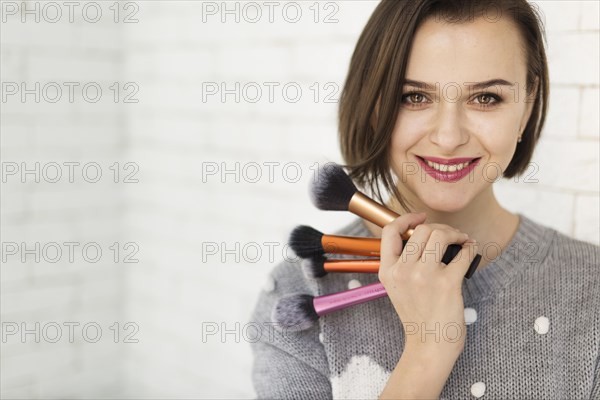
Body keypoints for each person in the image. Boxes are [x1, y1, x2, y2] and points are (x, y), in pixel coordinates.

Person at [249, 0, 600, 398]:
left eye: (486, 98)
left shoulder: (592, 285)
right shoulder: (300, 294)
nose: (449, 138)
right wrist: (427, 352)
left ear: (526, 106)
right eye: (414, 97)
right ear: (374, 104)